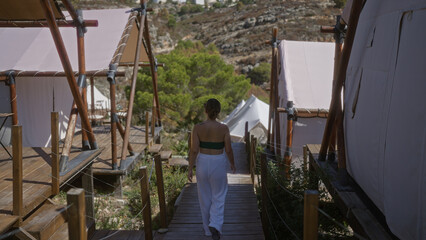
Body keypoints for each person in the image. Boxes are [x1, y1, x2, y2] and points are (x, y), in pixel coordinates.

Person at [188, 98, 236, 240]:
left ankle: (207, 230)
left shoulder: (198, 127)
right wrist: (233, 164)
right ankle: (215, 224)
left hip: (202, 162)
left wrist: (190, 168)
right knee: (219, 195)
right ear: (218, 111)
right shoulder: (224, 128)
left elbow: (194, 150)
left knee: (204, 197)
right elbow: (228, 149)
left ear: (206, 110)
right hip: (218, 163)